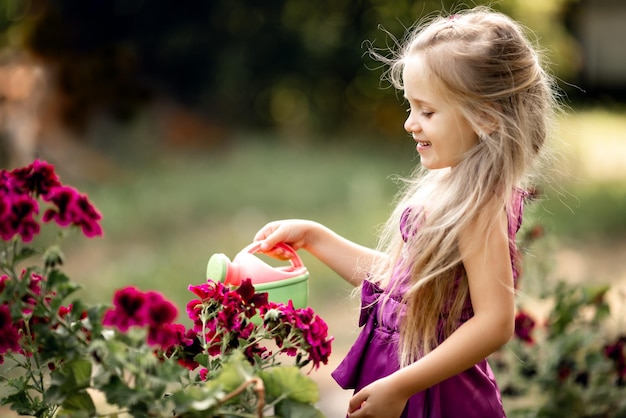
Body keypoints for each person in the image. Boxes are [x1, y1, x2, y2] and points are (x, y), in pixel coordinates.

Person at [253, 6, 557, 418]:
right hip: (408, 381)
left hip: (440, 397)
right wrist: (316, 238)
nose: (410, 123)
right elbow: (407, 287)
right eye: (410, 107)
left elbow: (495, 322)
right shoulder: (450, 186)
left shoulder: (480, 204)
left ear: (484, 117)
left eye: (427, 111)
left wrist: (401, 385)